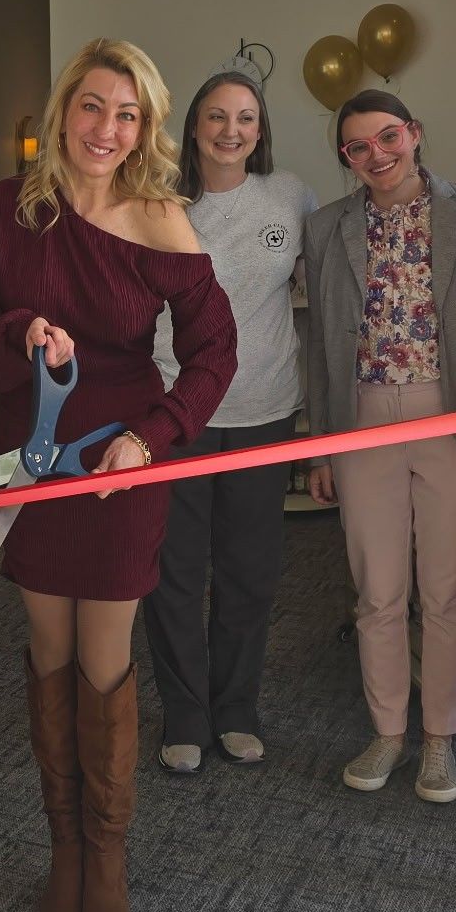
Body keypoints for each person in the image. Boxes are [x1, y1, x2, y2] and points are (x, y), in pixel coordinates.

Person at [0, 40, 237, 912]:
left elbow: (215, 354)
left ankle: (105, 855)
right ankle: (62, 848)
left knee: (104, 659)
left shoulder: (162, 219)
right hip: (33, 459)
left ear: (145, 128)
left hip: (120, 464)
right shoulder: (8, 211)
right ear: (64, 110)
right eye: (93, 106)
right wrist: (19, 332)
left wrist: (153, 435)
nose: (107, 129)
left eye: (128, 114)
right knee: (50, 651)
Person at [304, 91, 456, 804]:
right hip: (361, 421)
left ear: (414, 133)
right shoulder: (326, 227)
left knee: (448, 590)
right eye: (358, 146)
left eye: (388, 137)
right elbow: (318, 343)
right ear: (346, 157)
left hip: (454, 415)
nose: (377, 155)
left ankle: (440, 739)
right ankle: (388, 730)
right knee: (377, 592)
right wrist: (321, 446)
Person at [146, 60, 316, 772]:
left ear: (261, 130)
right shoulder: (157, 202)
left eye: (245, 118)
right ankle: (185, 714)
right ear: (193, 126)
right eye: (216, 116)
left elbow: (319, 288)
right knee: (175, 569)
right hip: (173, 409)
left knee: (250, 571)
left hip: (262, 410)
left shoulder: (289, 196)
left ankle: (237, 707)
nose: (230, 130)